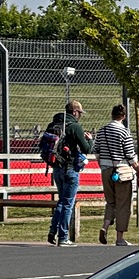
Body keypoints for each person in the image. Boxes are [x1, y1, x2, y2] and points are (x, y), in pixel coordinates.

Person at [46, 100, 92, 246]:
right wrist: (89, 140)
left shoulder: (53, 125)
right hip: (70, 168)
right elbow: (86, 149)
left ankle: (53, 231)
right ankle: (63, 237)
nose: (80, 116)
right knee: (68, 203)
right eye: (79, 113)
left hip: (56, 167)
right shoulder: (74, 127)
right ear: (74, 112)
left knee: (61, 200)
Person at [94, 103, 137, 246]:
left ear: (111, 115)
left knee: (110, 202)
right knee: (123, 204)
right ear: (123, 116)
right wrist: (137, 169)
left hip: (106, 170)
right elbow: (130, 154)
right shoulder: (124, 132)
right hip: (121, 171)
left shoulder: (101, 131)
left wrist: (103, 165)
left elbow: (97, 151)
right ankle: (119, 238)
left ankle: (105, 226)